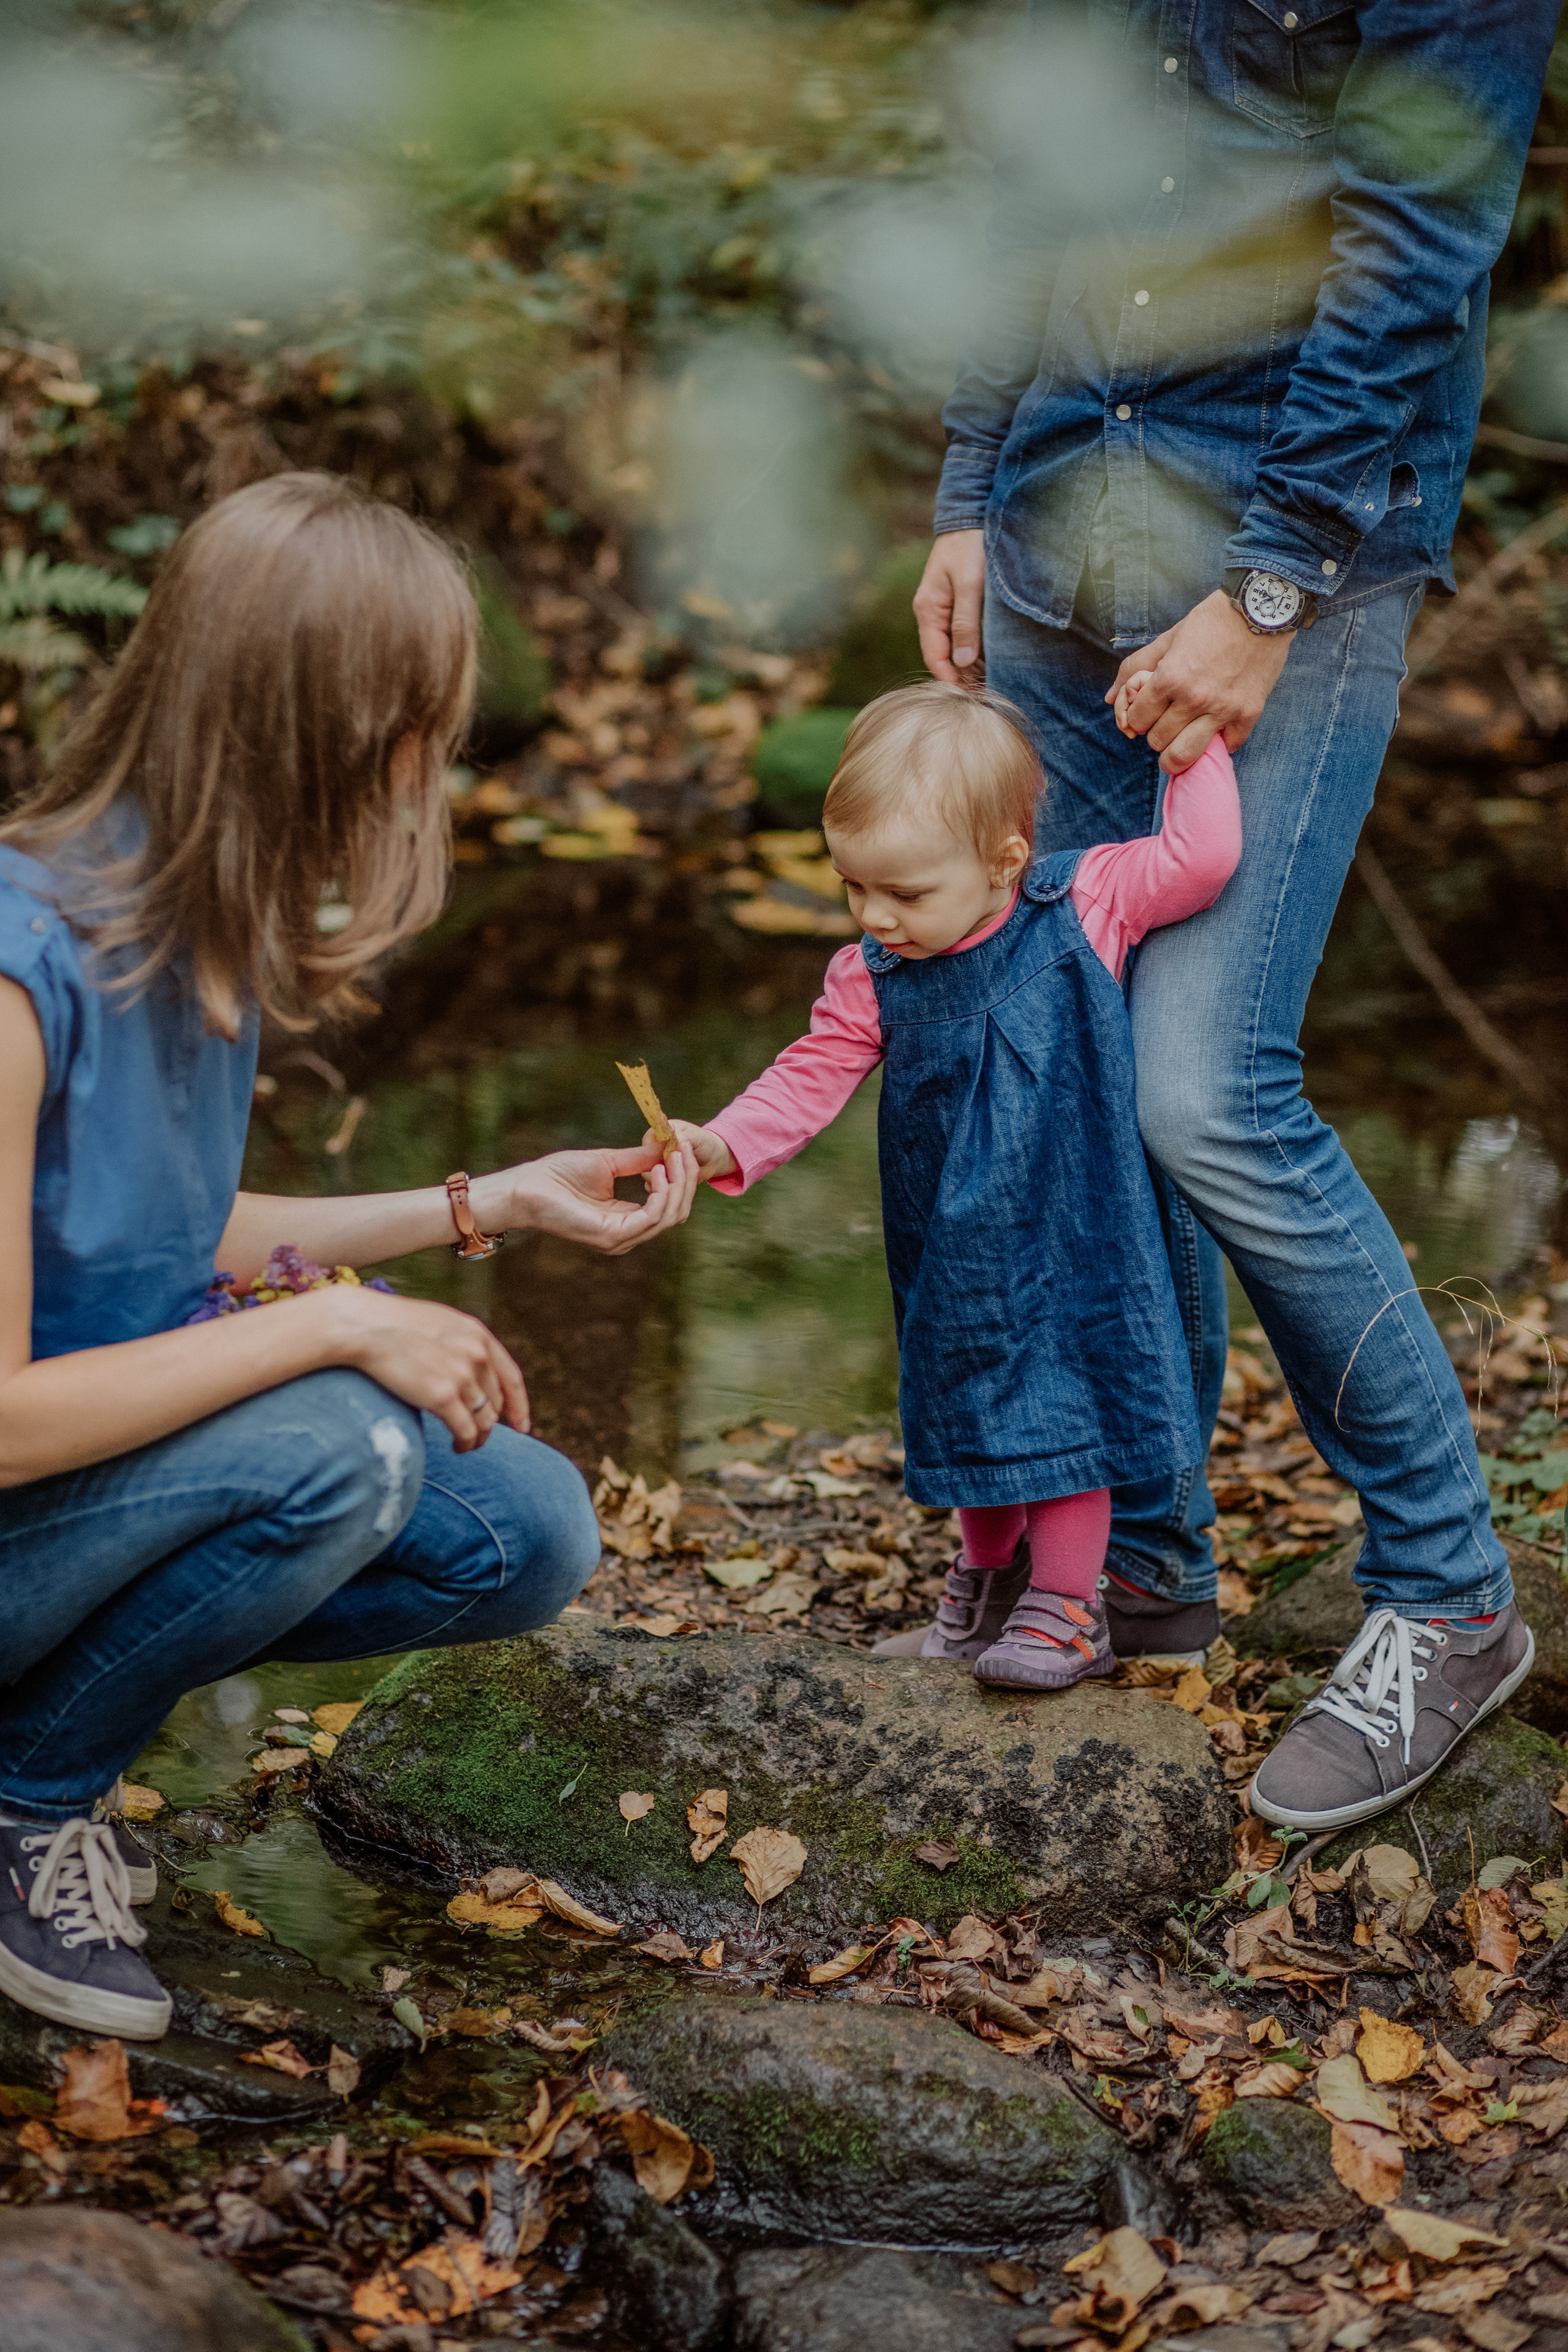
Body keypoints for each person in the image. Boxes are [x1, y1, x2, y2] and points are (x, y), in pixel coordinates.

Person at [910, 0, 1548, 1829]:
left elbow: (1416, 228)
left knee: (1204, 1088)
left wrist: (1267, 589)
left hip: (1294, 556)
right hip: (1051, 526)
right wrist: (971, 480)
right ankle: (1139, 1563)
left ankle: (1450, 1595)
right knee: (1061, 1064)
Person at [0, 472, 699, 2041]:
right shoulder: (19, 969)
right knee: (353, 1449)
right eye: (422, 732)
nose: (430, 768)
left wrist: (488, 1205)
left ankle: (41, 1732)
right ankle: (27, 1807)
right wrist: (330, 1331)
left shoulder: (197, 934)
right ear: (325, 733)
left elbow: (169, 1231)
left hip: (63, 1511)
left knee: (524, 1528)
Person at [665, 679, 1238, 1686]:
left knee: (1066, 1407)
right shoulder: (874, 976)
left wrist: (1193, 745)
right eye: (855, 889)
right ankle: (988, 1587)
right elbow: (811, 1073)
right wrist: (721, 1142)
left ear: (1004, 860)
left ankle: (1069, 1610)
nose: (878, 917)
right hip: (951, 1241)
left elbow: (1202, 862)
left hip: (1074, 1233)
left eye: (907, 893)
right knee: (967, 1396)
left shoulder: (1084, 908)